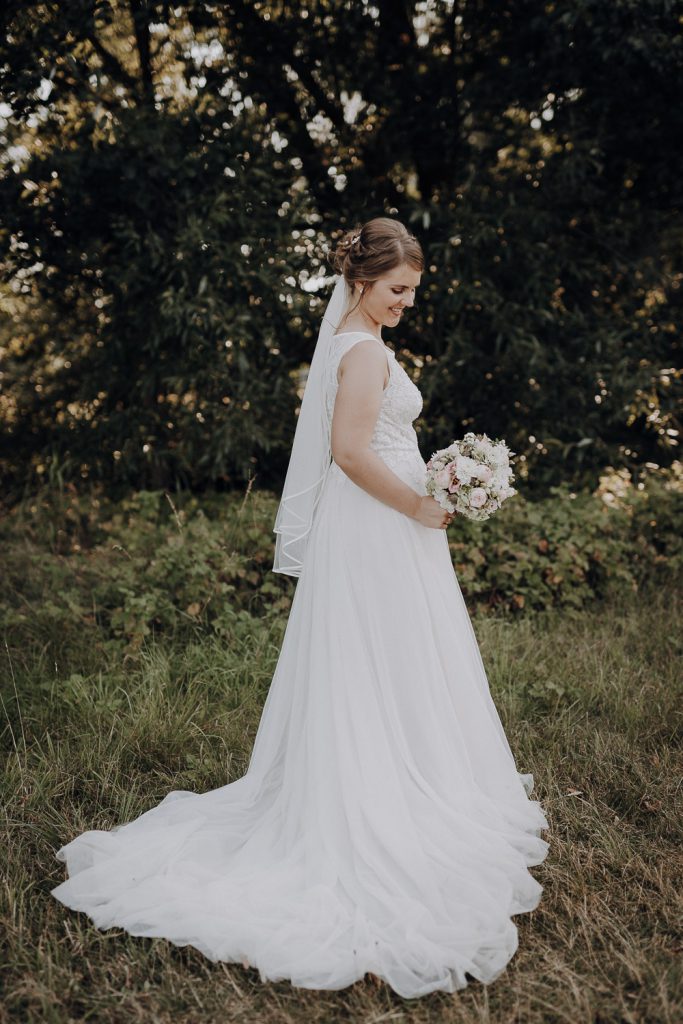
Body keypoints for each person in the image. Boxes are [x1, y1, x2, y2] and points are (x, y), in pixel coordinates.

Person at [51, 216, 549, 999]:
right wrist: (420, 505)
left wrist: (443, 480)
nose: (406, 302)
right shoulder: (358, 353)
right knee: (377, 655)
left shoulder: (362, 346)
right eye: (397, 289)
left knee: (398, 655)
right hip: (380, 524)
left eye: (413, 291)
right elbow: (350, 455)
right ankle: (372, 796)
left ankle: (409, 766)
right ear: (361, 281)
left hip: (391, 525)